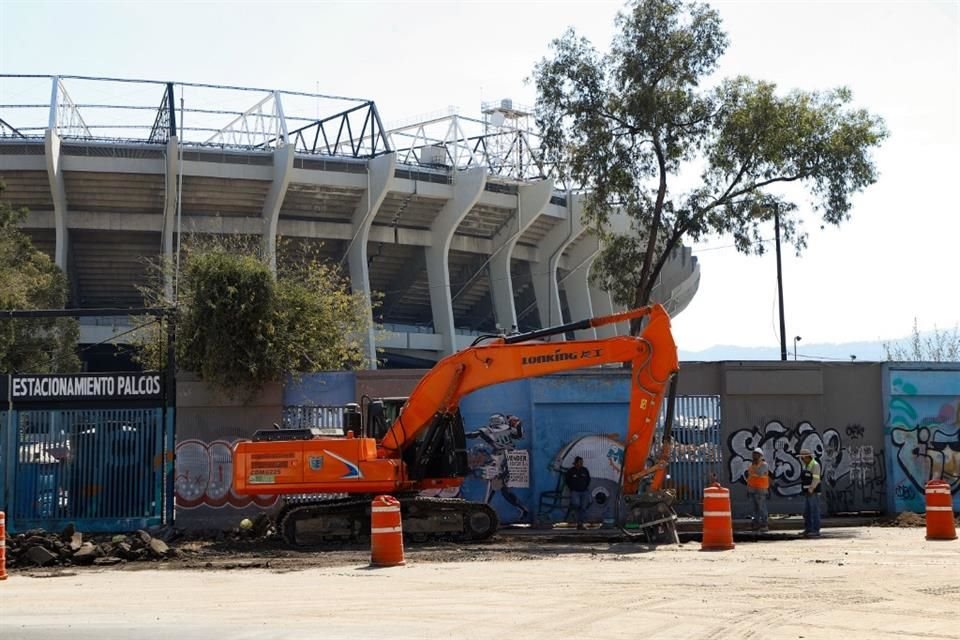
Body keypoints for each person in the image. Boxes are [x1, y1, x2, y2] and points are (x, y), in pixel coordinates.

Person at [466, 413, 529, 521]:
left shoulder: (487, 431)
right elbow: (519, 435)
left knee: (495, 485)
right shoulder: (508, 429)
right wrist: (518, 425)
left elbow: (473, 434)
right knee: (501, 488)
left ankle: (484, 511)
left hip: (500, 459)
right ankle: (521, 508)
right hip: (510, 458)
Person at [746, 447, 771, 532]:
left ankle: (765, 524)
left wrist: (755, 465)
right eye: (754, 454)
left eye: (757, 454)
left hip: (761, 489)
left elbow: (760, 473)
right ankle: (755, 524)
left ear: (760, 456)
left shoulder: (764, 465)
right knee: (754, 508)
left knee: (762, 507)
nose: (755, 456)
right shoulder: (751, 465)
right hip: (752, 489)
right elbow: (750, 477)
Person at [799, 448, 822, 537]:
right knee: (807, 511)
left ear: (808, 457)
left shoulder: (815, 465)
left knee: (814, 511)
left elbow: (816, 479)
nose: (802, 460)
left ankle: (815, 530)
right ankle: (808, 529)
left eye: (803, 458)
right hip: (807, 492)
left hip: (813, 492)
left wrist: (811, 489)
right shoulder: (807, 465)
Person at [564, 456, 591, 530]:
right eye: (579, 462)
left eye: (582, 463)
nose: (581, 464)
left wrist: (585, 487)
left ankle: (580, 524)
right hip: (575, 491)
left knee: (583, 507)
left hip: (584, 491)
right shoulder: (571, 471)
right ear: (575, 463)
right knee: (576, 504)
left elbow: (588, 479)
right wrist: (571, 488)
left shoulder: (585, 470)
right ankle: (575, 516)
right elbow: (567, 480)